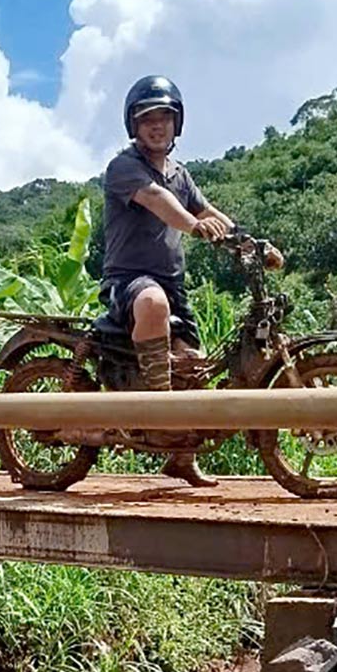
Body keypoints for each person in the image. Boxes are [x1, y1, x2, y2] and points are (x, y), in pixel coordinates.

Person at [100, 73, 256, 488]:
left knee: (194, 367)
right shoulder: (124, 167)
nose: (157, 126)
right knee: (152, 303)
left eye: (164, 118)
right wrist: (192, 225)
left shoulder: (180, 174)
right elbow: (158, 200)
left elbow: (208, 212)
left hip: (172, 284)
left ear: (177, 123)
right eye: (147, 119)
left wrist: (253, 244)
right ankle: (159, 413)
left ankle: (181, 458)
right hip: (129, 281)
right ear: (134, 125)